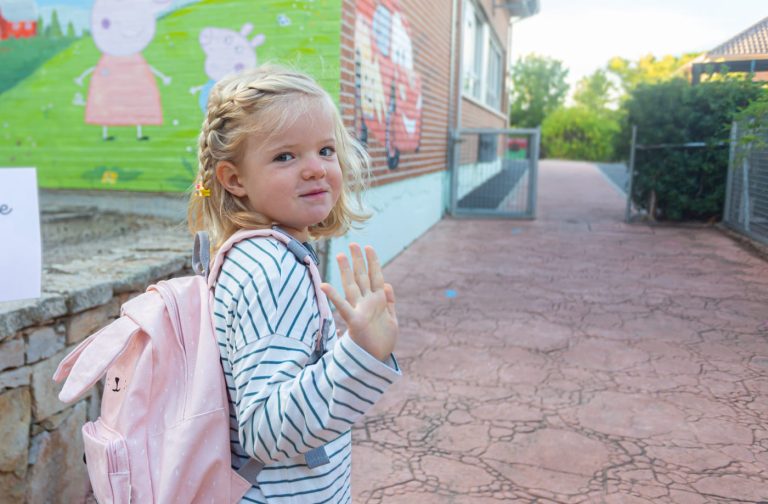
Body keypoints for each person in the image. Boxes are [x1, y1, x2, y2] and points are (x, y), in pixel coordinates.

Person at [188, 64, 401, 503]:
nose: (316, 169)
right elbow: (265, 431)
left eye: (325, 150)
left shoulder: (256, 254)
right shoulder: (272, 271)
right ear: (234, 179)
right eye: (285, 156)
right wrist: (360, 355)